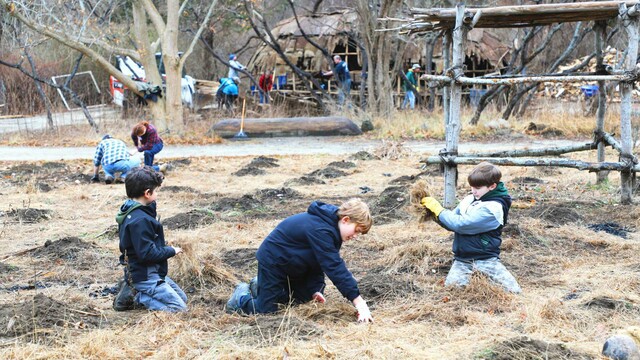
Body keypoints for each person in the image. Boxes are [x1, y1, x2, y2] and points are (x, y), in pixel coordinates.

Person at [226, 198, 374, 323]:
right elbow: (334, 266)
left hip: (293, 265)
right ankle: (241, 297)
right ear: (346, 220)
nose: (355, 236)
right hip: (274, 262)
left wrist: (316, 289)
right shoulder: (321, 229)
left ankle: (259, 284)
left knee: (303, 298)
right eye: (356, 230)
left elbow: (319, 262)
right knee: (266, 313)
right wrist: (358, 302)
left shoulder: (333, 231)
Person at [420, 162, 521, 293]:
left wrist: (440, 211)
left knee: (512, 292)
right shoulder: (471, 199)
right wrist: (433, 214)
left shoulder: (493, 208)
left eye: (478, 187)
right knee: (452, 292)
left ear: (492, 186)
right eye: (472, 187)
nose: (473, 191)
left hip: (486, 260)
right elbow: (452, 222)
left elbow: (461, 224)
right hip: (462, 260)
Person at [115, 166, 187, 312]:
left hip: (152, 271)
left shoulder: (134, 210)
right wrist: (171, 250)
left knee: (183, 298)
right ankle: (137, 296)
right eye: (156, 190)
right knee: (179, 309)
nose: (157, 194)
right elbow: (147, 254)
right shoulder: (139, 221)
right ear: (147, 193)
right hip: (145, 275)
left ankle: (140, 291)